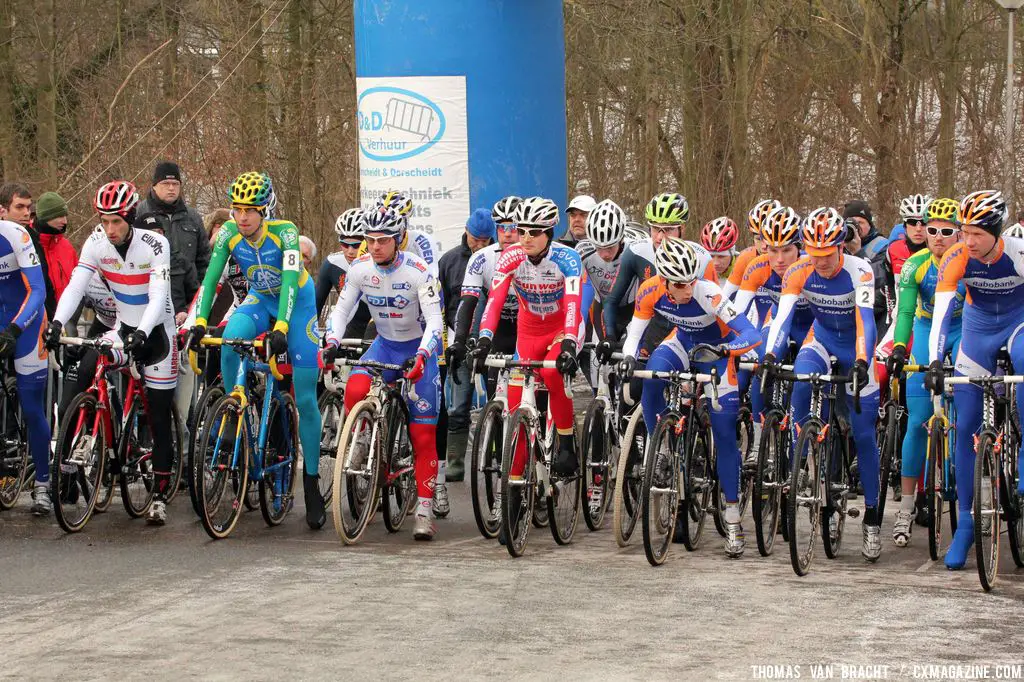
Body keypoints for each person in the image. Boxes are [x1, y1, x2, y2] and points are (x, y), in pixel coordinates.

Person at [188, 171, 325, 530]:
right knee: (231, 336)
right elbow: (211, 280)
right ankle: (236, 406)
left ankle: (310, 482)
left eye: (250, 210)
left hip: (297, 307)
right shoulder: (230, 235)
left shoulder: (286, 234)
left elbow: (293, 283)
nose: (242, 217)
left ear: (267, 210)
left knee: (307, 398)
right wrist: (199, 322)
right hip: (259, 300)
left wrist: (281, 328)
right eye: (237, 209)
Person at [45, 180, 178, 524]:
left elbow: (158, 294)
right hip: (123, 328)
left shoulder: (155, 243)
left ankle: (160, 494)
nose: (110, 229)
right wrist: (58, 322)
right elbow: (77, 283)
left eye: (116, 221)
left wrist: (143, 332)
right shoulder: (96, 242)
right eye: (104, 221)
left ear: (131, 217)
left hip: (157, 332)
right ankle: (96, 434)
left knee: (160, 412)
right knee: (91, 364)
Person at [618, 237, 761, 557]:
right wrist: (628, 358)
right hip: (681, 343)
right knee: (652, 376)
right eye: (679, 284)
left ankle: (733, 518)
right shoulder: (650, 290)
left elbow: (752, 334)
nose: (686, 289)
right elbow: (635, 332)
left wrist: (727, 350)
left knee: (725, 434)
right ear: (664, 280)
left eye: (689, 282)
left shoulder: (708, 292)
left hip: (717, 353)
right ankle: (663, 447)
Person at [763, 206, 883, 562]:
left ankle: (873, 517)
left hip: (857, 347)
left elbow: (865, 321)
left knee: (863, 434)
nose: (820, 262)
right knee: (802, 383)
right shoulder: (798, 271)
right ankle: (811, 465)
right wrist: (770, 356)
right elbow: (782, 319)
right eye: (813, 255)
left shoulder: (859, 271)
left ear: (841, 247)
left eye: (827, 255)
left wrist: (862, 361)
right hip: (821, 340)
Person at [323, 207, 444, 540]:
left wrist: (423, 355)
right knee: (354, 387)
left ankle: (423, 508)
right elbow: (342, 308)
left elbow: (436, 321)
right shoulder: (360, 269)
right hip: (384, 345)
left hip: (418, 350)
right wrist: (332, 340)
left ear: (398, 238)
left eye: (382, 240)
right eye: (370, 240)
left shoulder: (419, 271)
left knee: (422, 436)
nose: (374, 246)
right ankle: (360, 438)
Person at [926, 189, 1024, 570]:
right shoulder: (956, 257)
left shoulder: (1017, 253)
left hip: (1018, 326)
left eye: (976, 234)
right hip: (977, 333)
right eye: (964, 231)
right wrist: (935, 361)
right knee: (965, 425)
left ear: (995, 232)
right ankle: (965, 524)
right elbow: (941, 313)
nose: (968, 240)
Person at [474, 197, 583, 476]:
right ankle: (516, 482)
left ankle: (567, 445)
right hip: (528, 332)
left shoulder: (567, 258)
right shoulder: (511, 257)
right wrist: (484, 339)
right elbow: (495, 301)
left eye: (534, 232)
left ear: (549, 233)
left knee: (553, 375)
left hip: (562, 329)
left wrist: (569, 343)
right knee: (515, 402)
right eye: (521, 231)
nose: (525, 238)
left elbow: (573, 302)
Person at [885, 197, 964, 547]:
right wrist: (900, 348)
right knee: (917, 419)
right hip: (925, 328)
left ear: (959, 233)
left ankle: (966, 495)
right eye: (931, 230)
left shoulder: (969, 263)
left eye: (947, 231)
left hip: (963, 329)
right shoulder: (915, 264)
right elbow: (904, 313)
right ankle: (904, 508)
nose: (938, 236)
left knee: (964, 413)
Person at [733, 206, 811, 460]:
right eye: (772, 250)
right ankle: (757, 443)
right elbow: (734, 312)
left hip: (811, 327)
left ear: (799, 247)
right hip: (778, 323)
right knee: (759, 366)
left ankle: (804, 450)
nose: (779, 259)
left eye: (786, 250)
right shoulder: (757, 267)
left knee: (806, 380)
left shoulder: (811, 266)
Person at [436, 208, 494, 483]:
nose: (480, 246)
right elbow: (442, 303)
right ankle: (456, 461)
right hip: (460, 339)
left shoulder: (499, 259)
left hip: (492, 339)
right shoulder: (449, 261)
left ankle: (496, 457)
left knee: (498, 401)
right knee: (457, 406)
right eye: (476, 240)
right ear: (466, 232)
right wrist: (449, 340)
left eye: (486, 241)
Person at [447, 196, 521, 402]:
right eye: (501, 227)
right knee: (495, 399)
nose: (507, 233)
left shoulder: (534, 257)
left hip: (529, 329)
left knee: (534, 401)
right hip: (499, 330)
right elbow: (468, 302)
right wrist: (460, 341)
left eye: (513, 226)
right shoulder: (482, 257)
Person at [603, 192, 688, 354]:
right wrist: (610, 337)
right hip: (647, 326)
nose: (660, 237)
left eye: (668, 230)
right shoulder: (636, 251)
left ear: (681, 228)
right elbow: (611, 300)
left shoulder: (698, 257)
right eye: (655, 228)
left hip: (684, 329)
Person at [136, 161, 211, 325]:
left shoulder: (193, 217)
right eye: (165, 183)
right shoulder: (139, 214)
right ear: (154, 186)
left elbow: (204, 261)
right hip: (146, 302)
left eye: (175, 184)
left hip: (187, 303)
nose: (171, 188)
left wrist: (195, 303)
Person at [872, 194, 931, 334]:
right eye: (912, 222)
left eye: (923, 222)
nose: (918, 229)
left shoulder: (937, 253)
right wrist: (892, 314)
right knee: (880, 355)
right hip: (901, 319)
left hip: (927, 321)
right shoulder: (892, 250)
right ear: (904, 226)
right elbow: (889, 285)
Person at [0, 183, 56, 317]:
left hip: (27, 317)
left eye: (28, 207)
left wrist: (53, 317)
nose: (26, 213)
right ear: (3, 211)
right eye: (19, 207)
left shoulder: (32, 239)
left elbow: (43, 285)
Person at [315, 208, 371, 339]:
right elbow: (315, 308)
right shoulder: (332, 263)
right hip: (350, 327)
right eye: (345, 245)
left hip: (381, 328)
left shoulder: (382, 265)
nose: (350, 251)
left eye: (356, 245)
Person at [722, 199, 780, 299]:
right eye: (758, 239)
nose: (764, 246)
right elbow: (725, 298)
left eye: (769, 238)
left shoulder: (795, 258)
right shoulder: (746, 258)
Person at [31, 191, 78, 304]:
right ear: (46, 217)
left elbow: (79, 279)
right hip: (40, 316)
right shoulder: (28, 246)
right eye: (60, 216)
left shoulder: (67, 247)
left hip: (67, 315)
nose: (65, 221)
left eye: (65, 216)